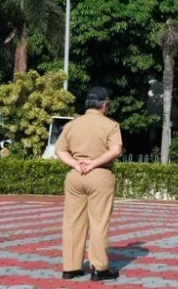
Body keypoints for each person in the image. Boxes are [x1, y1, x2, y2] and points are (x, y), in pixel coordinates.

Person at [55, 86, 123, 282]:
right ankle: (100, 268)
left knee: (73, 222)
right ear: (105, 105)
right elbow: (116, 150)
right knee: (99, 221)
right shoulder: (110, 125)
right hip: (100, 174)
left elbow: (60, 151)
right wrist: (93, 163)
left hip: (75, 176)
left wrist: (76, 164)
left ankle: (71, 267)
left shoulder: (72, 125)